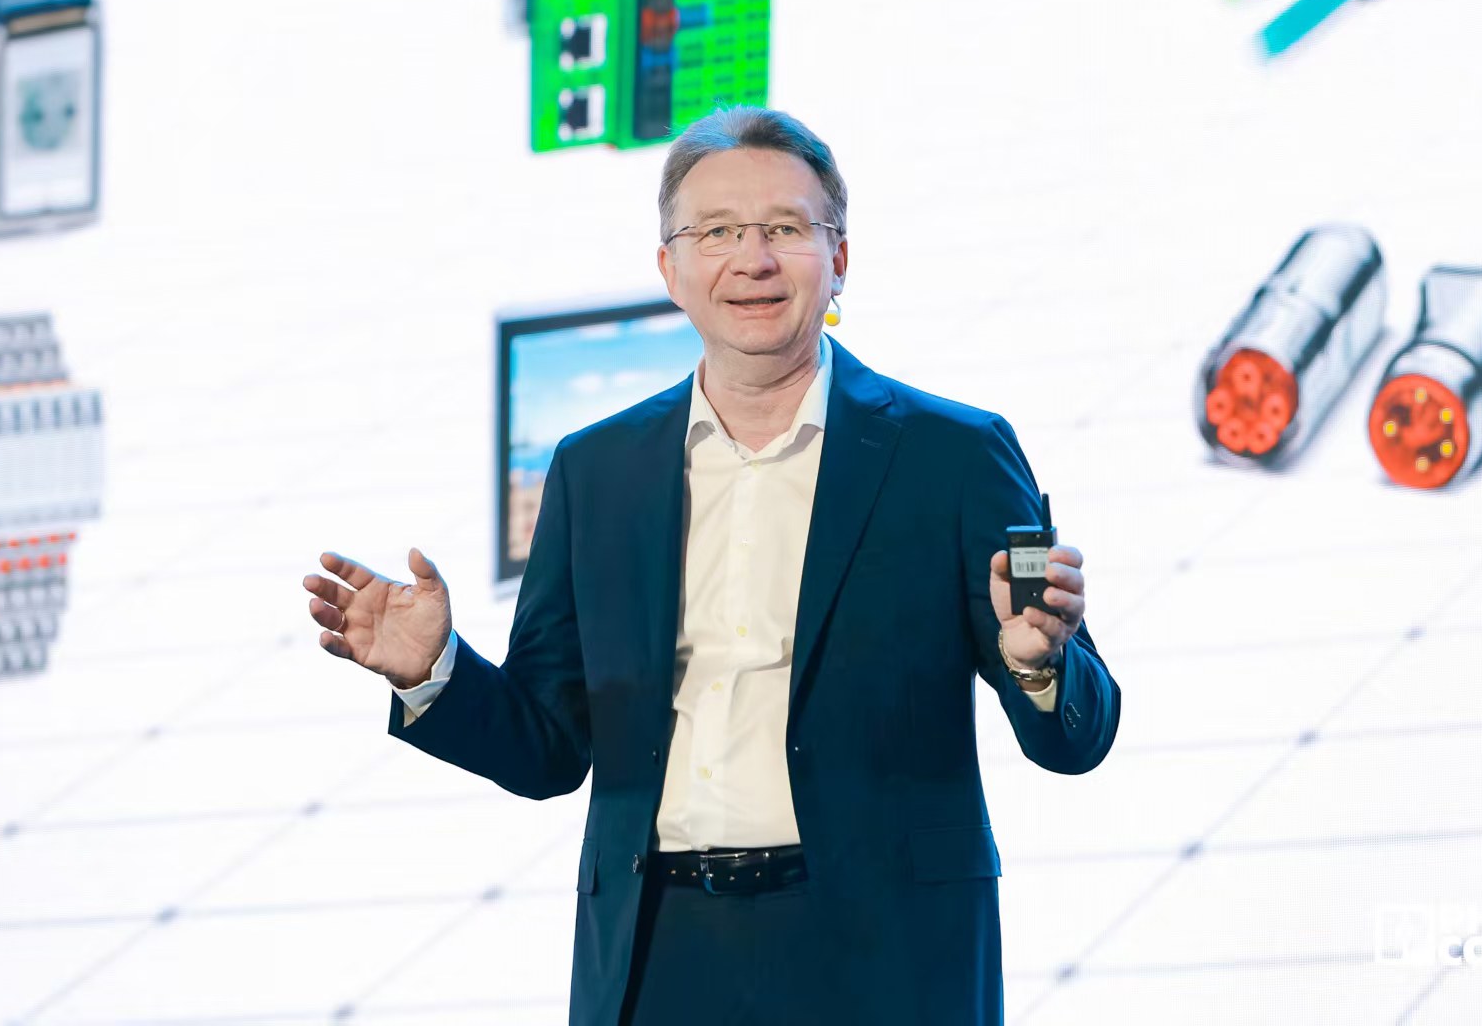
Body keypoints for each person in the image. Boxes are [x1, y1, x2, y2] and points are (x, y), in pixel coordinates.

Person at [303, 106, 1121, 1025]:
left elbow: (1076, 739)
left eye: (784, 229)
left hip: (890, 954)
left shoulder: (955, 454)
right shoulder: (595, 470)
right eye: (718, 232)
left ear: (839, 258)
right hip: (659, 954)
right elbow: (550, 751)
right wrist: (435, 673)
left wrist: (1039, 665)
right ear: (671, 270)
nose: (752, 259)